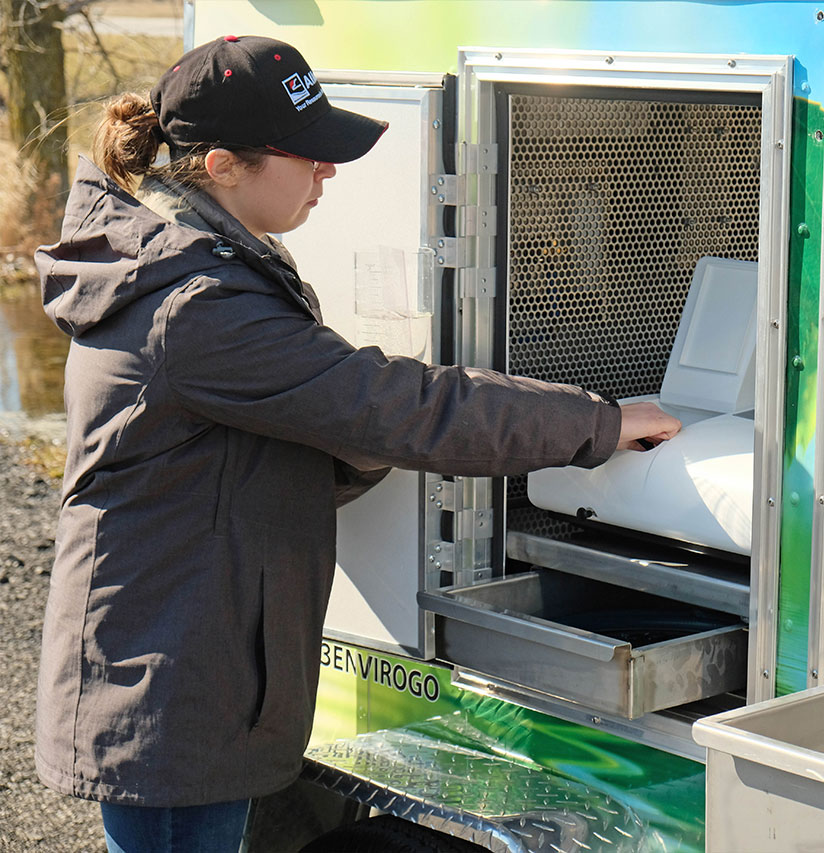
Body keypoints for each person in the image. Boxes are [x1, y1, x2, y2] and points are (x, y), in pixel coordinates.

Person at [34, 34, 680, 853]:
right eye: (307, 156)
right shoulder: (194, 304)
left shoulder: (199, 263)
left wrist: (352, 432)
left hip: (181, 666)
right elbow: (404, 405)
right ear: (225, 165)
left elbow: (301, 435)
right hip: (169, 698)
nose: (326, 172)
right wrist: (602, 423)